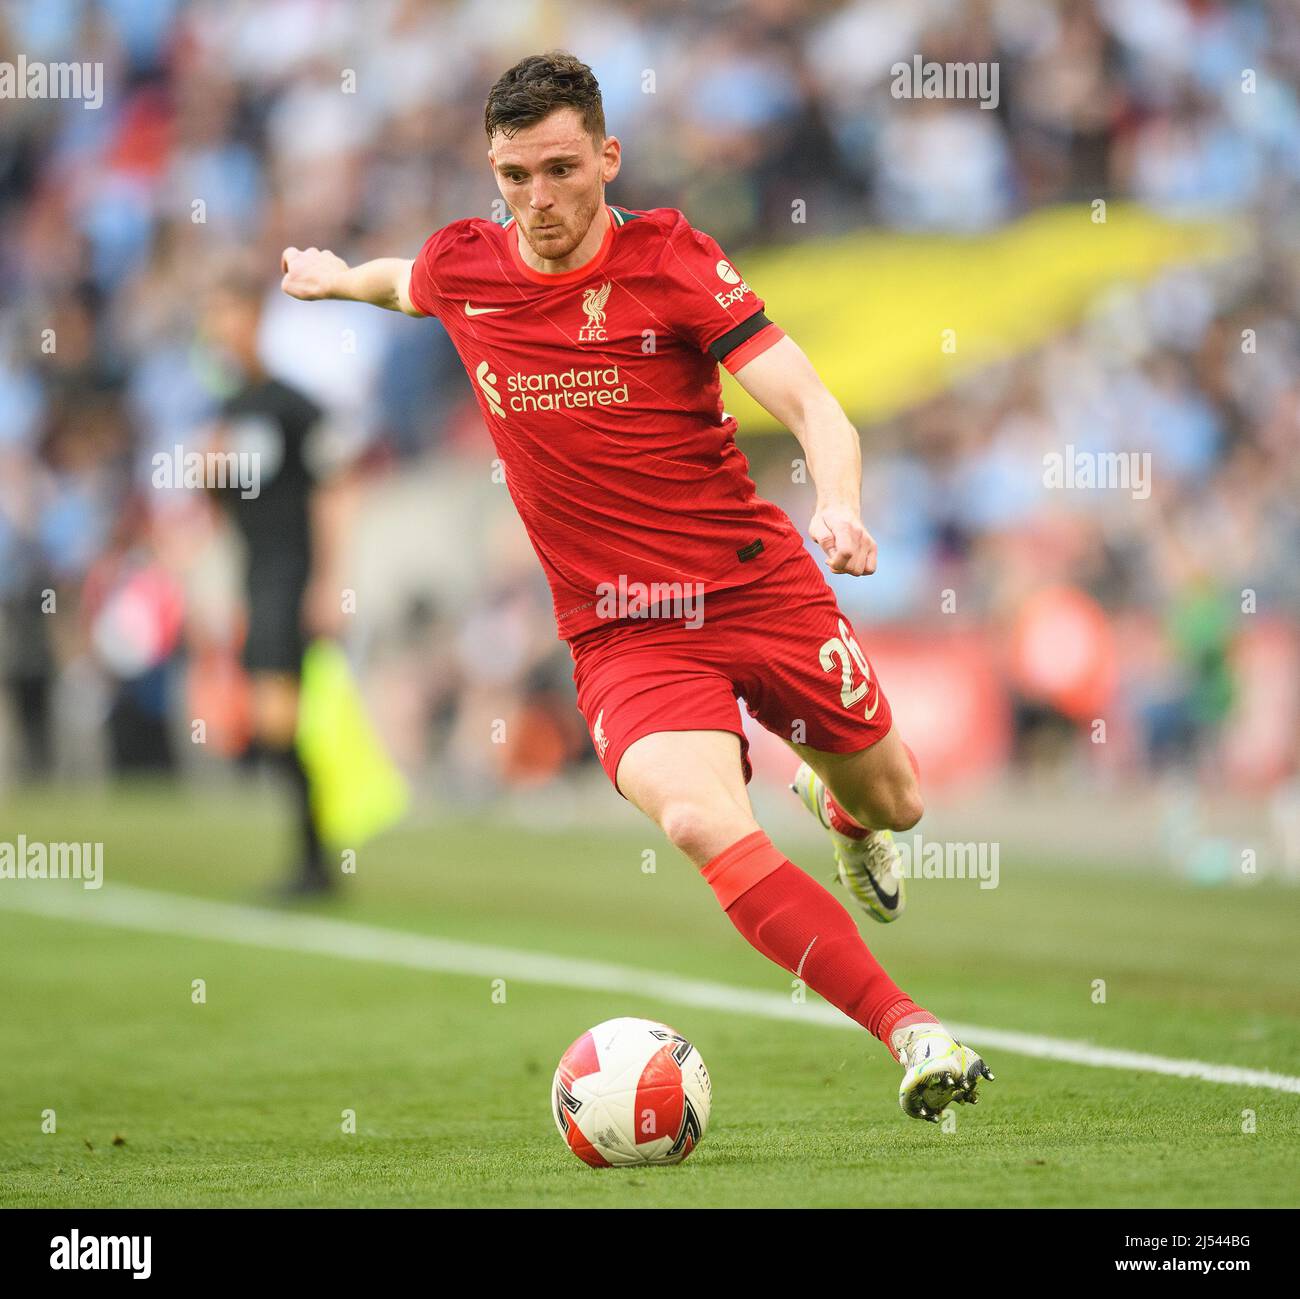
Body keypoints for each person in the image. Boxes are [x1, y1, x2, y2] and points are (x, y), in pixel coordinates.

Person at [278, 51, 992, 1120]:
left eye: (560, 169)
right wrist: (338, 279)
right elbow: (404, 282)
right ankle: (912, 1032)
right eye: (514, 176)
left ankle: (842, 815)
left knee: (898, 798)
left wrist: (838, 504)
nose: (538, 199)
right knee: (703, 823)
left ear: (606, 157)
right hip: (623, 634)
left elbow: (811, 406)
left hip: (758, 589)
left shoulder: (674, 261)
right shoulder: (467, 265)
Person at [201, 269, 354, 897]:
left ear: (255, 319)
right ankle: (315, 861)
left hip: (291, 573)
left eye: (230, 313)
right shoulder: (228, 409)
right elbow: (223, 501)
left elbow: (333, 491)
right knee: (271, 724)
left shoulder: (293, 404)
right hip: (254, 573)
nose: (220, 328)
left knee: (278, 721)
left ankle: (316, 863)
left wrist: (328, 581)